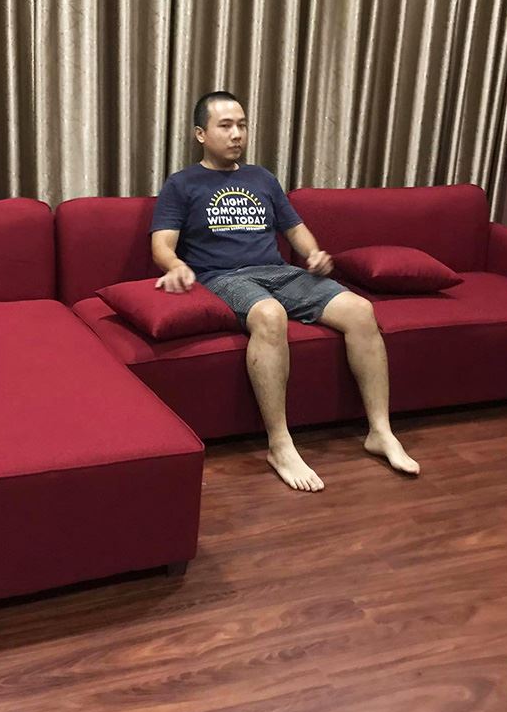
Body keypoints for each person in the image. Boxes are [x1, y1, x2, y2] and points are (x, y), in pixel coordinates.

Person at [150, 90, 420, 492]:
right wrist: (176, 266)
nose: (237, 134)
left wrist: (313, 254)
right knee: (269, 314)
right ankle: (280, 445)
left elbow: (294, 229)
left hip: (279, 272)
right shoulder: (182, 184)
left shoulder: (262, 178)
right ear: (201, 134)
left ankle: (380, 431)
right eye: (225, 126)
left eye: (242, 125)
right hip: (222, 277)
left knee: (361, 310)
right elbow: (161, 244)